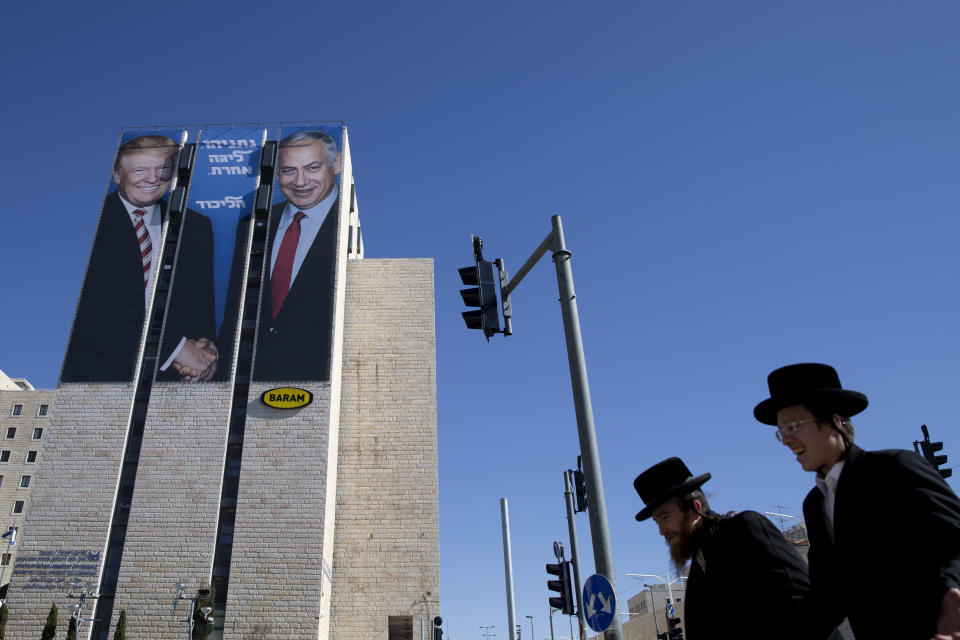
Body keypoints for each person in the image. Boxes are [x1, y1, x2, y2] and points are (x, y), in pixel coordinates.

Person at [754, 363, 960, 640]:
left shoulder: (894, 469)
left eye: (792, 426)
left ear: (834, 420)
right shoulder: (815, 504)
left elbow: (954, 541)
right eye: (781, 431)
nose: (785, 440)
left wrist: (952, 596)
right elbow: (827, 598)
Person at [62, 134, 218, 383]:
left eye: (163, 169)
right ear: (116, 175)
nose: (153, 178)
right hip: (96, 373)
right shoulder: (95, 219)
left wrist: (206, 348)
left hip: (170, 378)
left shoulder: (196, 226)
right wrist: (178, 350)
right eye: (140, 169)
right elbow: (98, 307)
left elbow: (202, 301)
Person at [633, 457, 834, 640]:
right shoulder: (697, 571)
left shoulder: (744, 530)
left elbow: (807, 606)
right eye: (657, 522)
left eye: (665, 517)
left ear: (695, 509)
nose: (661, 530)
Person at [253, 130, 341, 381]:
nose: (300, 182)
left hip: (314, 379)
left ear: (336, 164)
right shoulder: (253, 226)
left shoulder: (343, 222)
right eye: (289, 170)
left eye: (312, 167)